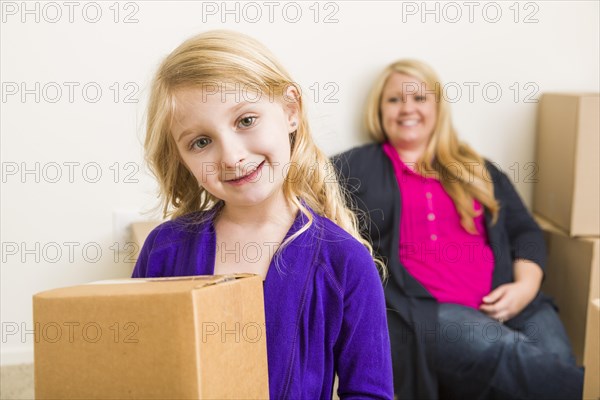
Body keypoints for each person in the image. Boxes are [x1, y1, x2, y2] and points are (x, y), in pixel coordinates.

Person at [131, 30, 394, 399]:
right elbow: (137, 372)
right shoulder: (163, 250)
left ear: (290, 110)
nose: (231, 156)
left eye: (245, 120)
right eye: (201, 142)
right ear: (181, 157)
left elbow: (369, 392)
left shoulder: (346, 261)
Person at [333, 59, 584, 399]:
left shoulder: (478, 168)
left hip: (516, 302)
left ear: (437, 106)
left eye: (419, 98)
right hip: (427, 316)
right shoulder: (354, 168)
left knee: (554, 359)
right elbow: (308, 200)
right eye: (394, 100)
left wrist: (525, 286)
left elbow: (524, 231)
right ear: (379, 111)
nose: (407, 108)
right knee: (511, 355)